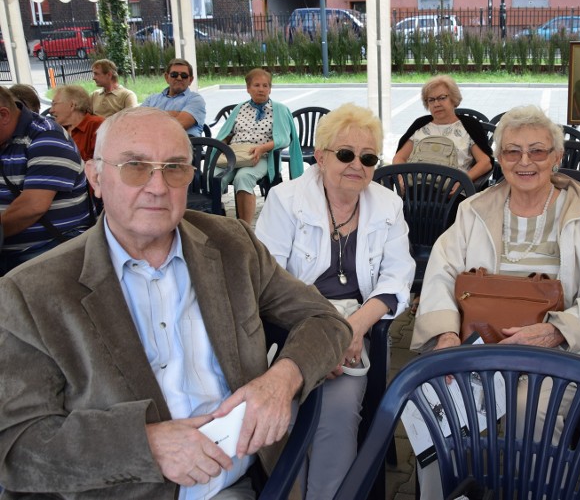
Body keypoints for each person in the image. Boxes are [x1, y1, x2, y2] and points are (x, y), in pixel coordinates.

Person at [0, 107, 352, 499]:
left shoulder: (232, 244)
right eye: (135, 166)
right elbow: (17, 446)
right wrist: (145, 445)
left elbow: (325, 319)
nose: (157, 186)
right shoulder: (31, 292)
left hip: (239, 484)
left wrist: (280, 381)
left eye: (174, 167)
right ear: (96, 178)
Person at [411, 105, 580, 500]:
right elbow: (441, 272)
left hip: (554, 351)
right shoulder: (473, 210)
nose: (525, 161)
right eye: (512, 152)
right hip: (476, 348)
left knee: (531, 414)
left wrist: (557, 330)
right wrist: (445, 335)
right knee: (431, 407)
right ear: (498, 158)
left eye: (537, 151)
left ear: (557, 157)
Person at [255, 103, 415, 500]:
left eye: (368, 157)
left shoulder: (387, 205)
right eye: (345, 154)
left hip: (357, 327)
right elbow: (266, 279)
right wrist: (321, 336)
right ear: (321, 156)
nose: (356, 164)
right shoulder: (285, 199)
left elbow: (398, 277)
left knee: (339, 412)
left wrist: (355, 327)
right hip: (293, 323)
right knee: (287, 411)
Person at [0, 86, 92, 275]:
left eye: (56, 104)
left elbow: (32, 207)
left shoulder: (47, 136)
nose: (51, 109)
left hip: (46, 250)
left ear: (3, 115)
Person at [215, 68, 304, 223]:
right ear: (248, 88)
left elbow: (283, 139)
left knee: (243, 177)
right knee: (213, 178)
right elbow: (226, 134)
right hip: (234, 153)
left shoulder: (279, 109)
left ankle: (245, 227)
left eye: (265, 85)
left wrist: (262, 148)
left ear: (270, 89)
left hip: (261, 156)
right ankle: (215, 219)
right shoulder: (240, 108)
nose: (261, 89)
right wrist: (221, 146)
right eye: (256, 85)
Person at [392, 75, 493, 182]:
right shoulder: (420, 125)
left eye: (442, 98)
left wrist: (463, 182)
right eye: (431, 100)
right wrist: (401, 178)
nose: (436, 104)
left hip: (453, 192)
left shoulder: (469, 126)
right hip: (416, 193)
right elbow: (399, 158)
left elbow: (485, 162)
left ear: (453, 99)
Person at [141, 58, 206, 137]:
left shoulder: (195, 100)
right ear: (166, 77)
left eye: (184, 75)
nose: (179, 78)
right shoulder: (151, 99)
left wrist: (153, 115)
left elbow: (177, 126)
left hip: (183, 147)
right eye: (174, 75)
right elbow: (138, 120)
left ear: (190, 80)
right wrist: (174, 114)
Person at [51, 84, 105, 162]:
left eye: (54, 104)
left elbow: (100, 163)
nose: (51, 110)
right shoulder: (56, 129)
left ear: (72, 105)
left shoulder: (97, 125)